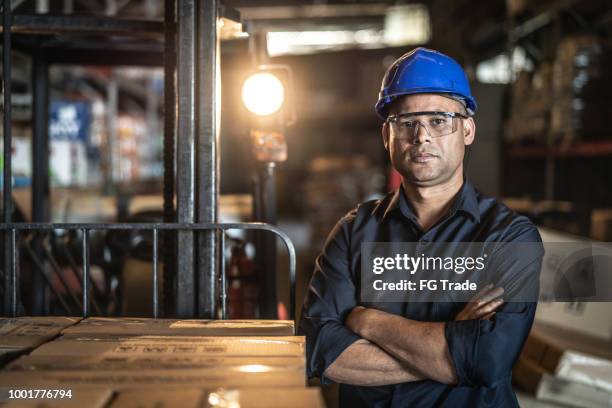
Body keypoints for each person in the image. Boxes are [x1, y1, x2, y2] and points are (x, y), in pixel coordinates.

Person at [298, 47, 543, 407]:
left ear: (468, 130)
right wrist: (450, 348)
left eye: (439, 120)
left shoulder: (508, 237)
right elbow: (320, 351)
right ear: (387, 136)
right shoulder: (354, 233)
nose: (421, 136)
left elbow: (486, 360)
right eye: (406, 122)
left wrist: (367, 322)